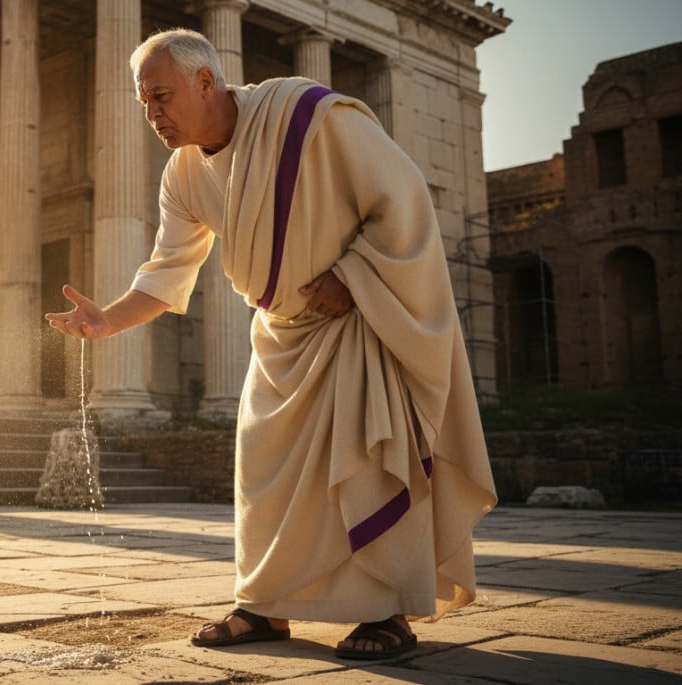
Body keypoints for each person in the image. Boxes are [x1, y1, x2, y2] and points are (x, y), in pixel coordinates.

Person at [45, 28, 496, 660]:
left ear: (207, 81)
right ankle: (266, 608)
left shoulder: (305, 115)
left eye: (163, 97)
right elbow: (170, 266)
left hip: (355, 323)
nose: (153, 115)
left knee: (365, 461)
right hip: (282, 333)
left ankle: (387, 612)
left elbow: (402, 198)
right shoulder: (183, 175)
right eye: (145, 102)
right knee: (262, 468)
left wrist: (352, 276)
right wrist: (109, 321)